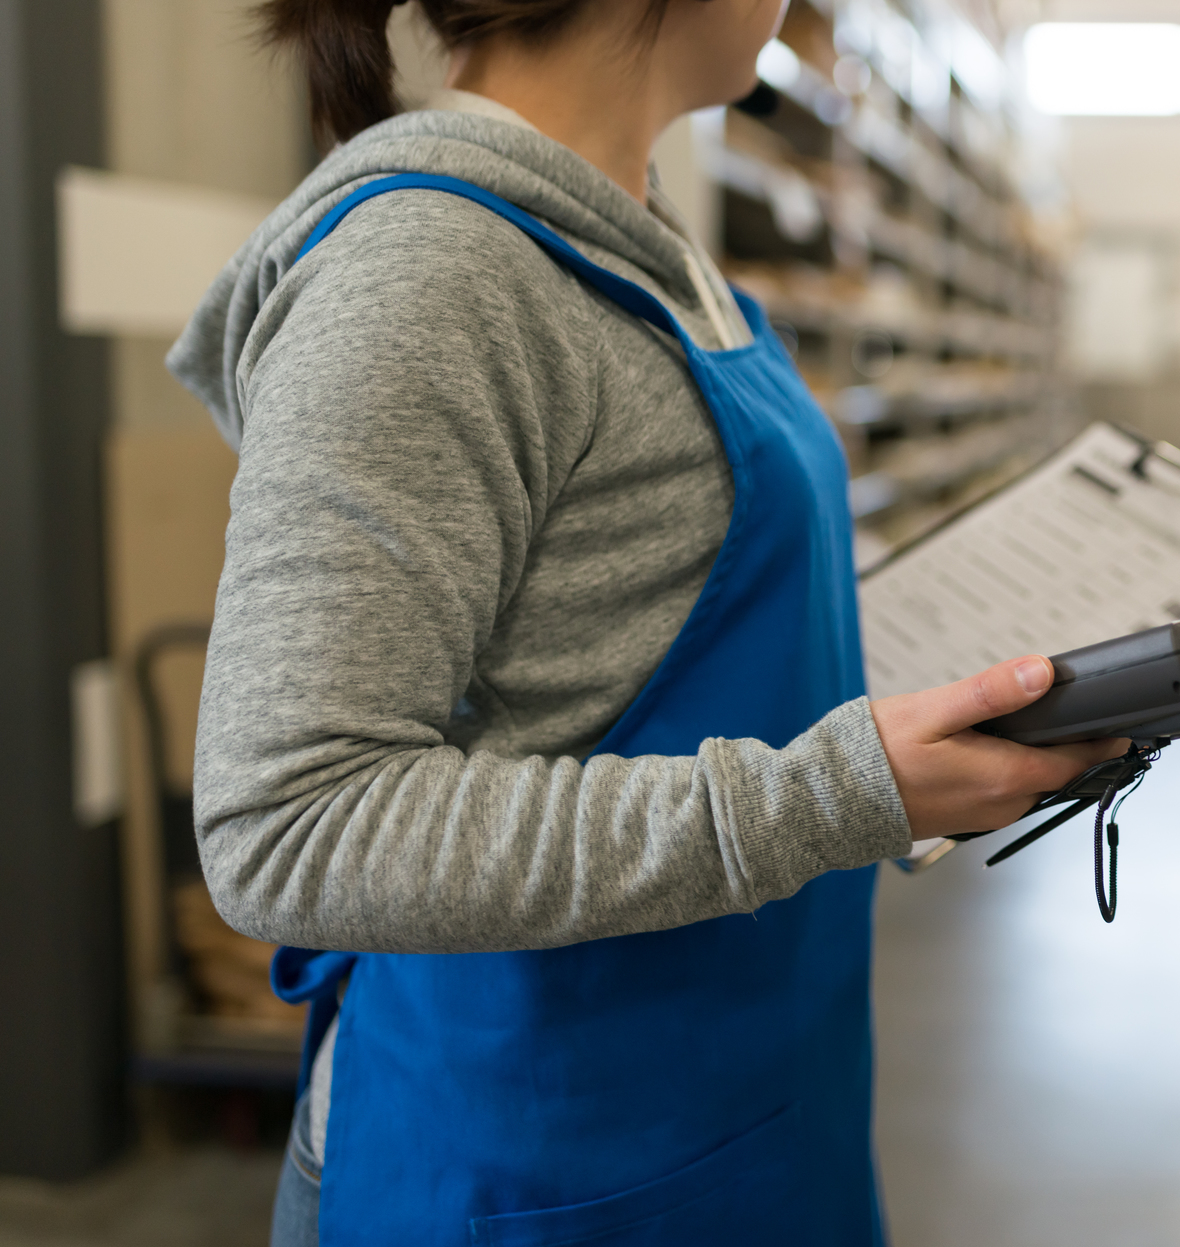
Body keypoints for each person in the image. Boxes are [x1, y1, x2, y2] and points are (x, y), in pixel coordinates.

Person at [167, 1, 1121, 1242]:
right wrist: (835, 791)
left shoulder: (656, 250)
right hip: (531, 1160)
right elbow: (286, 822)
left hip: (743, 1103)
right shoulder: (432, 270)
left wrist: (964, 699)